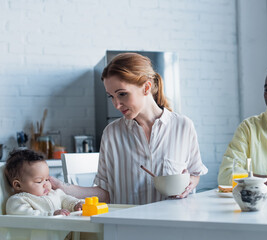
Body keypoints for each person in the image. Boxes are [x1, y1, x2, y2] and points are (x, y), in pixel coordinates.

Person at [51, 52, 208, 205]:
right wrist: (63, 188)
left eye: (122, 94)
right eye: (111, 96)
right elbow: (104, 194)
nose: (116, 104)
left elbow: (195, 174)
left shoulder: (183, 126)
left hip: (174, 224)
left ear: (146, 87)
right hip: (126, 226)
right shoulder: (112, 134)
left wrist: (188, 184)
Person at [4, 149, 83, 216]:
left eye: (47, 179)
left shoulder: (54, 193)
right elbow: (29, 216)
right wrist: (51, 214)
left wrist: (76, 204)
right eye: (39, 181)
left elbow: (65, 199)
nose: (46, 184)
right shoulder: (17, 201)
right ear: (18, 185)